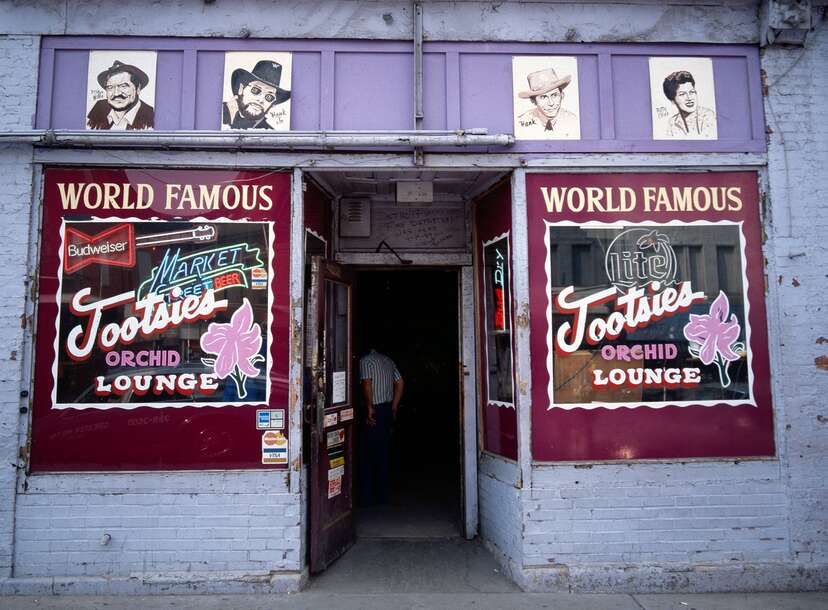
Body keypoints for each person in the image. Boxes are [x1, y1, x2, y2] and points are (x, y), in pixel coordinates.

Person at [359, 345, 404, 506]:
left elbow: (366, 384)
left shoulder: (366, 361)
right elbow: (400, 382)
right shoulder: (388, 361)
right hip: (386, 410)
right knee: (383, 453)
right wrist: (394, 405)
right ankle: (383, 496)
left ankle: (367, 498)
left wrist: (370, 407)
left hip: (375, 411)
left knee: (367, 455)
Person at [222, 60, 291, 130]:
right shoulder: (217, 113)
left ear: (272, 104)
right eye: (255, 90)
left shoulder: (269, 134)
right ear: (241, 89)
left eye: (269, 97)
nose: (261, 100)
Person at [87, 61, 155, 130]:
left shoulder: (150, 116)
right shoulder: (98, 108)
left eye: (123, 86)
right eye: (110, 87)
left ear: (138, 89)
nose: (116, 93)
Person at [516, 67, 579, 138]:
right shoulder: (521, 122)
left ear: (562, 96)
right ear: (533, 101)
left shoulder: (574, 121)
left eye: (554, 95)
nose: (551, 103)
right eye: (543, 97)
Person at [662, 70, 717, 138]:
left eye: (691, 92)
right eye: (682, 94)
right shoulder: (672, 122)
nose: (689, 98)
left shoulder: (708, 116)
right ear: (672, 100)